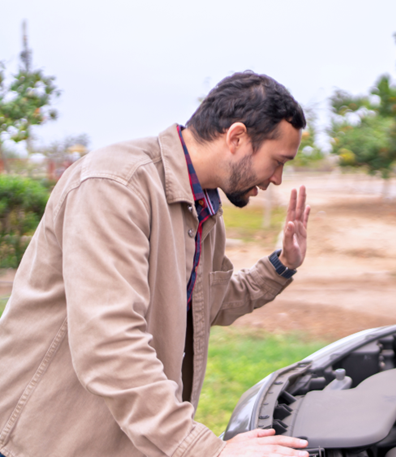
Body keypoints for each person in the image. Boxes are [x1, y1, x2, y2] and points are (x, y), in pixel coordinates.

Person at [0, 72, 313, 457]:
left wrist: (281, 265)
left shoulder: (203, 208)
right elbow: (109, 343)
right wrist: (207, 451)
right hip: (48, 441)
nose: (277, 180)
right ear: (236, 138)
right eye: (277, 161)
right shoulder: (115, 185)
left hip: (124, 440)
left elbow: (203, 304)